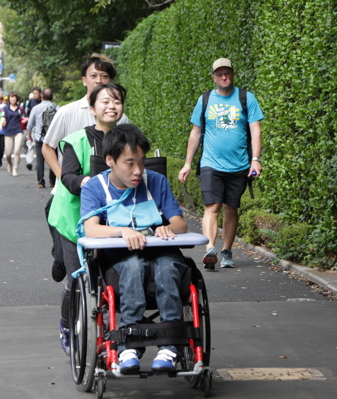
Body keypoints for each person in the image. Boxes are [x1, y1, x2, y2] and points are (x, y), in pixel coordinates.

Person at [80, 123, 188, 373]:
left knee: (169, 267)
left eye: (142, 161)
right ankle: (128, 344)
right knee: (132, 267)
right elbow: (90, 229)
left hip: (161, 252)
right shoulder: (95, 187)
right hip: (119, 258)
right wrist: (123, 231)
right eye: (130, 163)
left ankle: (170, 345)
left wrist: (166, 227)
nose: (138, 170)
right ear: (110, 160)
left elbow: (180, 223)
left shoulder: (157, 182)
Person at [47, 83, 126, 356]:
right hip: (73, 221)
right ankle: (67, 326)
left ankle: (109, 333)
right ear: (92, 109)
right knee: (76, 278)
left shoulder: (127, 139)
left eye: (116, 101)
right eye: (105, 102)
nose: (111, 106)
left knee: (108, 277)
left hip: (110, 220)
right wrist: (84, 182)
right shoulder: (77, 140)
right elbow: (67, 177)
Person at [41, 54, 130, 285]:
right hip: (70, 194)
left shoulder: (121, 117)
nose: (99, 80)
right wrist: (67, 178)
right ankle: (60, 257)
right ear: (84, 80)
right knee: (71, 260)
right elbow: (48, 148)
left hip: (108, 199)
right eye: (94, 76)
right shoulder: (68, 112)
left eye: (105, 76)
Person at [178, 58, 264, 270]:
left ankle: (226, 250)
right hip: (211, 164)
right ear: (214, 77)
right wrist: (187, 163)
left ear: (233, 74)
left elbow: (255, 130)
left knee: (231, 208)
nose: (224, 77)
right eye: (219, 74)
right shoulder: (205, 99)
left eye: (227, 73)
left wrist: (255, 160)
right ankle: (210, 249)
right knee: (213, 206)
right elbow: (196, 132)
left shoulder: (246, 98)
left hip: (239, 165)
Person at [25, 88, 59, 188]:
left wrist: (29, 136)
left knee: (40, 160)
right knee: (53, 158)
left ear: (42, 96)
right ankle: (52, 181)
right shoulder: (57, 108)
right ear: (52, 97)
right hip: (53, 137)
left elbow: (30, 125)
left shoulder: (36, 108)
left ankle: (41, 182)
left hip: (39, 137)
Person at [1, 91, 24, 176]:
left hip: (18, 131)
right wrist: (2, 124)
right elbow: (3, 118)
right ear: (9, 99)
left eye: (14, 97)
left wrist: (26, 120)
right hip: (8, 132)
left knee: (17, 151)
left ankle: (15, 169)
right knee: (8, 154)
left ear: (16, 99)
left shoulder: (20, 108)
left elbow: (24, 117)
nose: (13, 99)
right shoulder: (5, 108)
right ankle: (10, 163)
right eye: (11, 97)